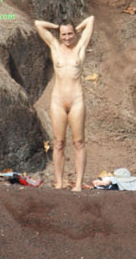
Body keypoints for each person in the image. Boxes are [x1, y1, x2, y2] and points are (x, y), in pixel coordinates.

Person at [34, 15, 95, 191]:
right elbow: (38, 24)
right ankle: (59, 182)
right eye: (64, 34)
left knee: (79, 142)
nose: (67, 37)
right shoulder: (55, 47)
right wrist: (57, 27)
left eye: (70, 34)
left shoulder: (80, 47)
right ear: (59, 35)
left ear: (74, 33)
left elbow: (91, 20)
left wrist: (77, 28)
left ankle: (78, 184)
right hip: (58, 101)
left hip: (76, 101)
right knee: (58, 142)